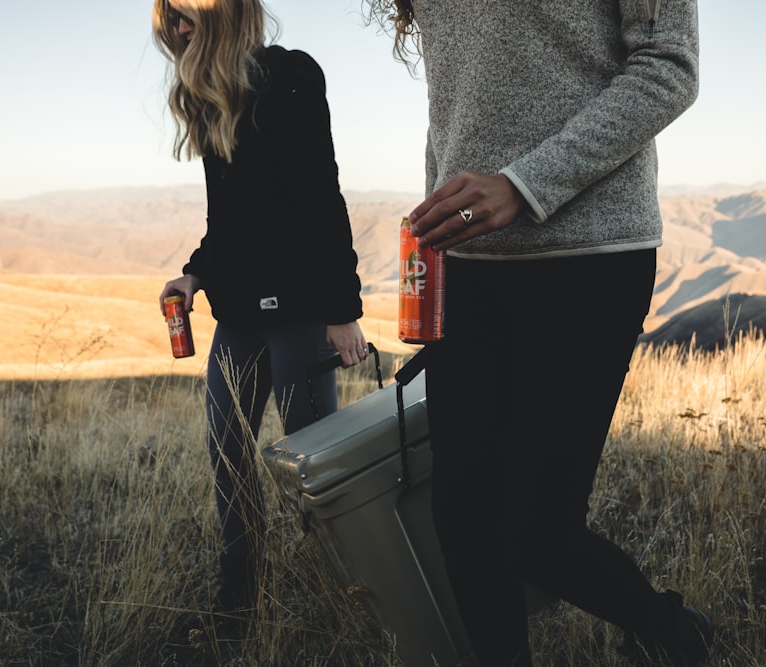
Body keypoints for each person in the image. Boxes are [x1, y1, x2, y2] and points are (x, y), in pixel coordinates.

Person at [367, 0, 711, 665]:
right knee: (461, 518)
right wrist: (432, 244)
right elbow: (453, 106)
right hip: (466, 268)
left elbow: (669, 65)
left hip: (588, 259)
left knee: (536, 530)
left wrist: (523, 186)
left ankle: (675, 632)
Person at [152, 0, 369, 628]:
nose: (179, 30)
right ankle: (241, 598)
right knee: (227, 447)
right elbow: (234, 219)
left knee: (313, 464)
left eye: (188, 16)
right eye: (171, 21)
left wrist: (341, 310)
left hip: (302, 314)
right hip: (239, 318)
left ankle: (348, 594)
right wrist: (196, 272)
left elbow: (320, 199)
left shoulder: (288, 78)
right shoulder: (212, 99)